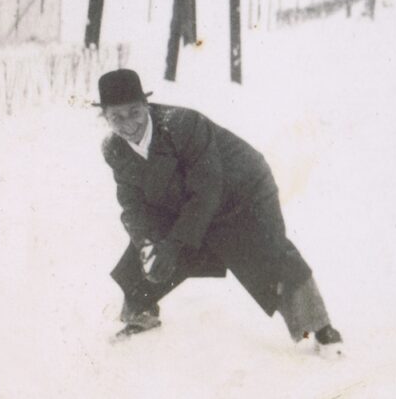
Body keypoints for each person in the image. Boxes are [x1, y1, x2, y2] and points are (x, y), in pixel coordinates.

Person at [95, 68, 343, 354]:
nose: (129, 125)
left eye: (135, 112)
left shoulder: (182, 124)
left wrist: (174, 244)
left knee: (268, 254)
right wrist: (147, 244)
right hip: (184, 200)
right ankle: (141, 314)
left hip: (242, 192)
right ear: (105, 117)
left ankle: (322, 330)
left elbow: (207, 192)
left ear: (146, 105)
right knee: (147, 253)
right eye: (117, 117)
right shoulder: (114, 148)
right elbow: (133, 206)